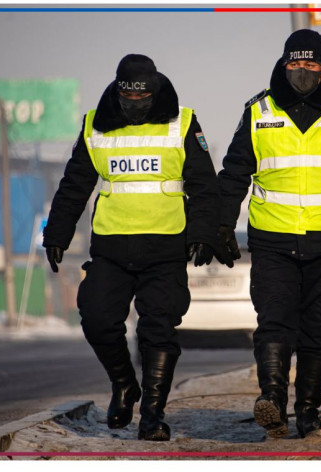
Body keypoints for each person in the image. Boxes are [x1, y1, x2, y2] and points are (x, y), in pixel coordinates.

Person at [217, 29, 321, 439]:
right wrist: (223, 222)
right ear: (283, 65)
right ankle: (272, 401)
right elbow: (234, 170)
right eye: (294, 64)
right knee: (274, 321)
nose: (302, 72)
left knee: (320, 328)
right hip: (272, 239)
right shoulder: (259, 110)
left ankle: (308, 410)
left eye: (311, 64)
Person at [43, 54, 220, 441]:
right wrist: (57, 232)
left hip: (165, 247)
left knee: (158, 332)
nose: (134, 102)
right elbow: (75, 184)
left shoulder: (182, 122)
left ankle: (153, 416)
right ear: (117, 89)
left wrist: (204, 233)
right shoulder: (95, 124)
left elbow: (204, 184)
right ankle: (124, 385)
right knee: (96, 317)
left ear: (154, 91)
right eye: (127, 94)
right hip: (111, 249)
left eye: (141, 95)